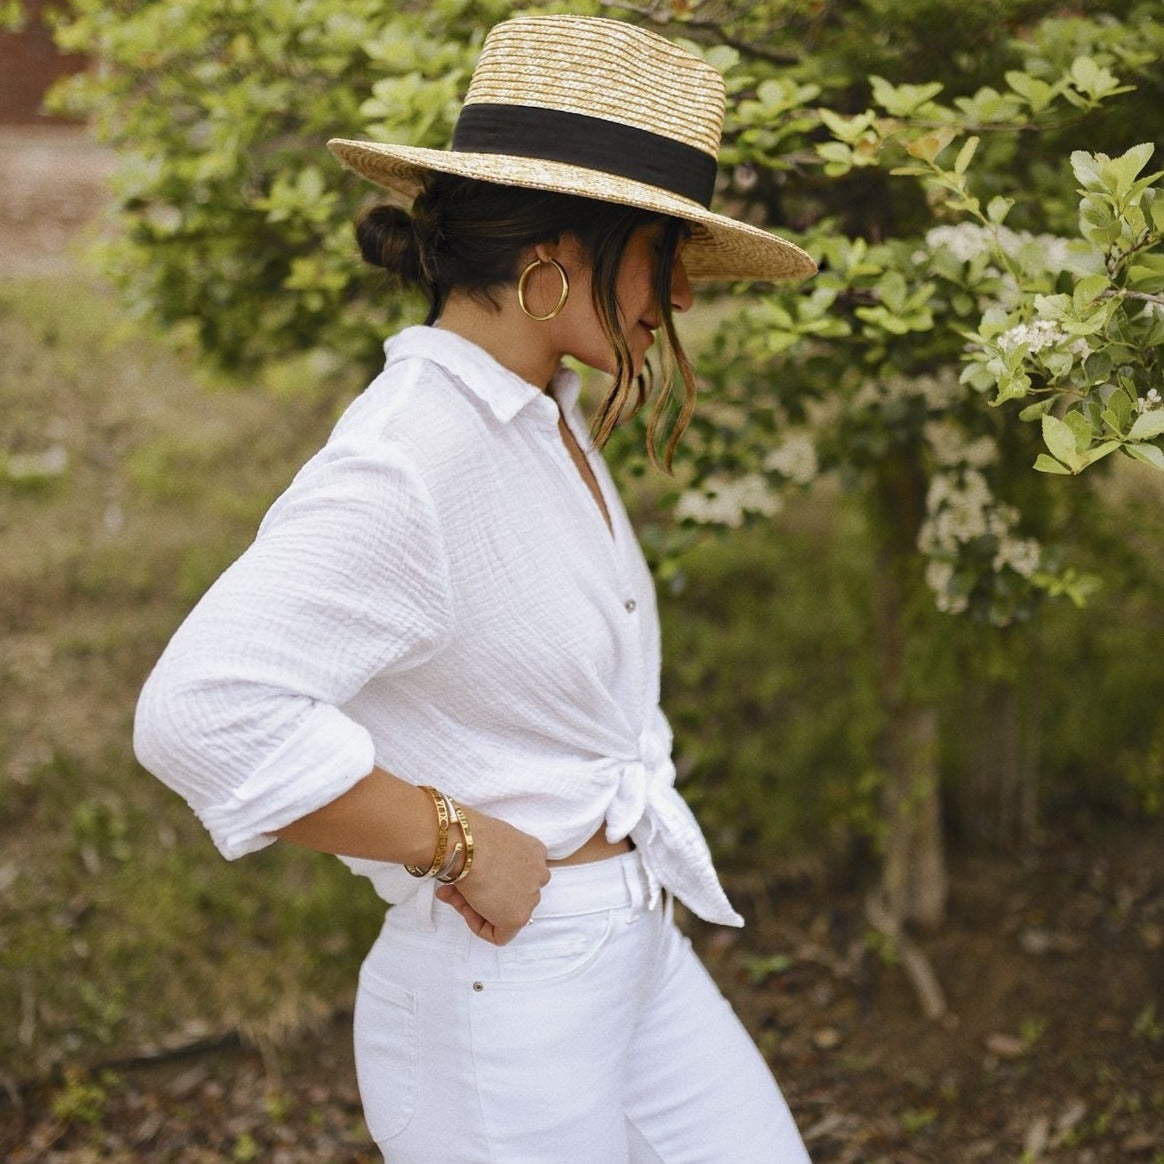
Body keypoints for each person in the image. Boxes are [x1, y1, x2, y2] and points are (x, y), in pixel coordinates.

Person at [133, 13, 816, 1163]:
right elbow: (201, 711)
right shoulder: (414, 452)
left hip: (631, 948)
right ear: (559, 249)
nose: (683, 299)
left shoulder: (536, 413)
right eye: (665, 250)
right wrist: (454, 838)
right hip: (502, 1002)